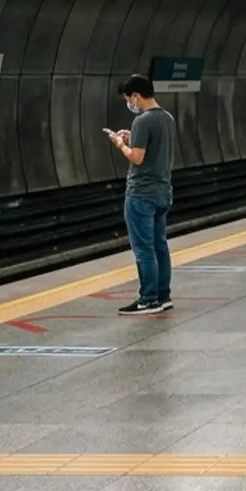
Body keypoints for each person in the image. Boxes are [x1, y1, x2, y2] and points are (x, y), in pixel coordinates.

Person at [110, 75, 177, 315]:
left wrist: (120, 143)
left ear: (136, 95)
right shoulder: (167, 117)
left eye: (129, 98)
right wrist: (132, 137)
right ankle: (163, 295)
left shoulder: (142, 120)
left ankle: (147, 299)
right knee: (160, 245)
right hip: (163, 190)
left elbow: (137, 157)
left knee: (144, 248)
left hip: (141, 194)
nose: (130, 103)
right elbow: (154, 148)